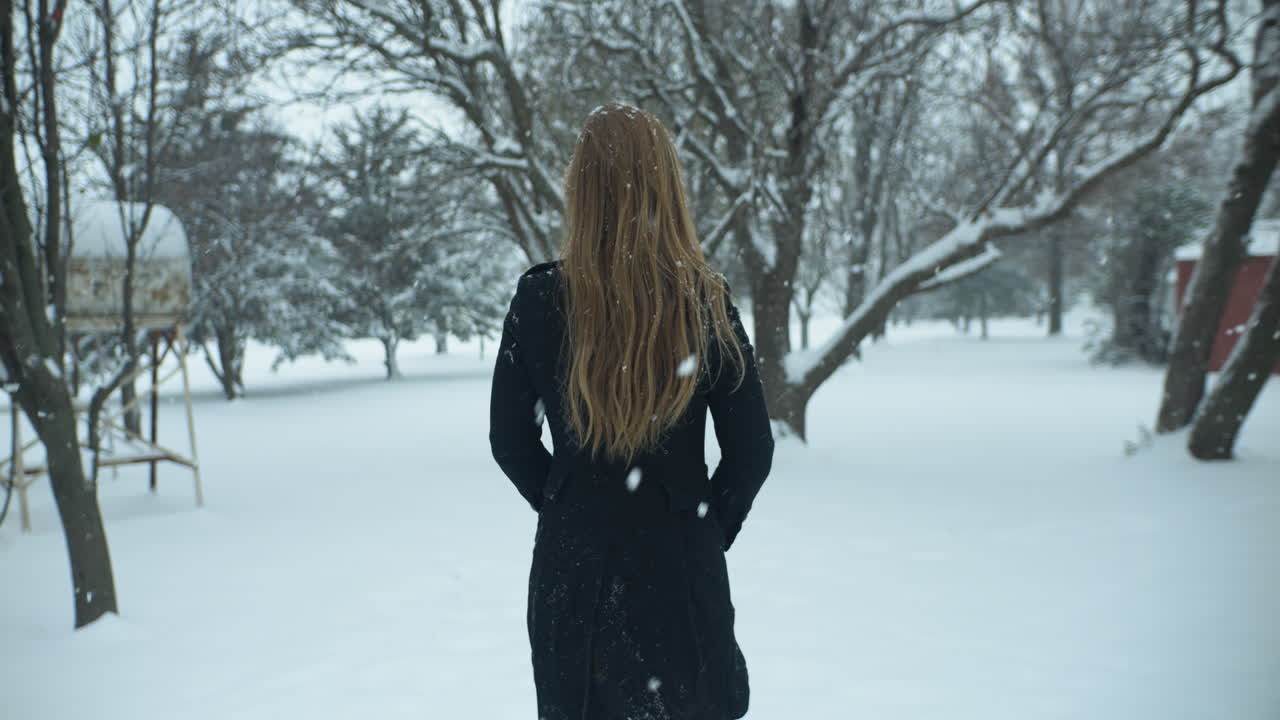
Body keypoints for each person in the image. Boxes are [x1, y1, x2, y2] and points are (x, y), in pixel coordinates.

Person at [489, 103, 774, 720]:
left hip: (574, 576)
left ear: (581, 187)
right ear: (665, 184)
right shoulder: (704, 298)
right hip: (680, 569)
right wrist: (697, 526)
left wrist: (575, 510)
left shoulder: (539, 299)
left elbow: (510, 443)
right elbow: (752, 451)